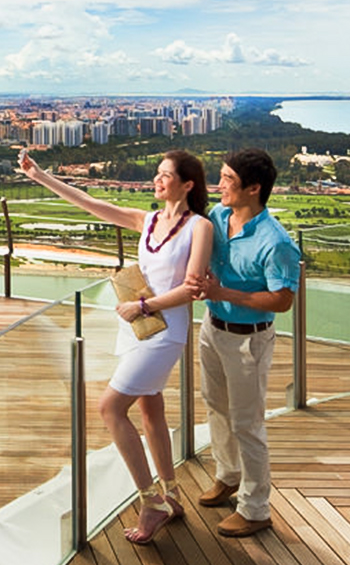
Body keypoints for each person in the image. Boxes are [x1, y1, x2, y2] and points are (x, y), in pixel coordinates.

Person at [20, 148, 213, 544]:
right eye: (157, 173)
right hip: (137, 328)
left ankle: (150, 501)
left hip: (165, 331)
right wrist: (40, 176)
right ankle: (172, 494)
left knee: (110, 407)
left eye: (165, 175)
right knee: (150, 409)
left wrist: (142, 306)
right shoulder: (148, 220)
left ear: (187, 184)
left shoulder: (200, 228)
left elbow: (191, 289)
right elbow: (90, 203)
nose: (157, 180)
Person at [186, 148, 301, 539]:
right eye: (220, 176)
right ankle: (229, 475)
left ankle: (255, 509)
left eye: (228, 180)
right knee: (216, 407)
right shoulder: (219, 217)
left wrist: (223, 292)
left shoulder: (276, 242)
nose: (219, 185)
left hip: (248, 341)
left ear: (254, 188)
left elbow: (282, 301)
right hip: (212, 328)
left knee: (247, 424)